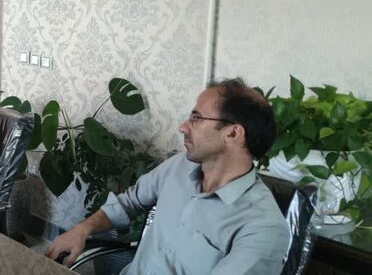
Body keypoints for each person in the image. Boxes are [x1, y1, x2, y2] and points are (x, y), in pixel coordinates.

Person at [46, 78, 289, 274]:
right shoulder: (178, 167)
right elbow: (127, 203)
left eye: (196, 118)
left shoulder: (263, 228)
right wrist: (83, 229)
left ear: (233, 134)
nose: (183, 127)